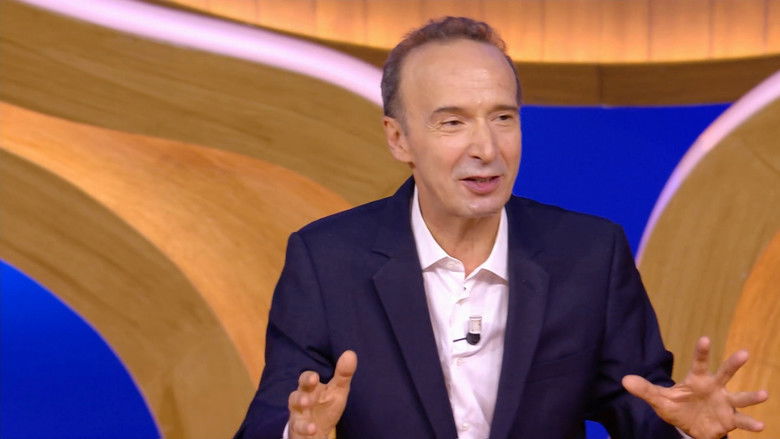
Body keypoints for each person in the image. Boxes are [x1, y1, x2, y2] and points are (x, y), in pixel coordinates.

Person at [234, 17, 768, 439]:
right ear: (398, 139)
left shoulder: (589, 255)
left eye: (503, 117)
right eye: (453, 122)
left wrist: (690, 431)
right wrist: (297, 432)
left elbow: (643, 409)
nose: (487, 148)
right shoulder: (327, 259)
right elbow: (274, 415)